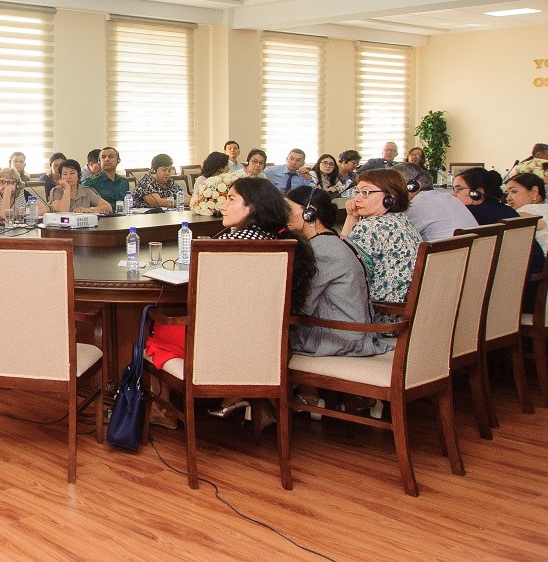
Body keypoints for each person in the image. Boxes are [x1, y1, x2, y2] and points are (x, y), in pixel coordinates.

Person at [144, 177, 316, 421]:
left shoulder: (229, 244)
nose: (223, 205)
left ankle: (160, 409)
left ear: (251, 207)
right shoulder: (282, 240)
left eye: (231, 199)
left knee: (152, 328)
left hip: (217, 345)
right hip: (264, 344)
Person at [285, 186, 391, 357]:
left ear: (309, 213)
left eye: (288, 209)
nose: (284, 215)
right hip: (356, 333)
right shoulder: (336, 240)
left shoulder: (320, 250)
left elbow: (302, 306)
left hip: (340, 339)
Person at [341, 168, 422, 316]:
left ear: (389, 198)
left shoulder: (370, 227)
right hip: (406, 313)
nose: (357, 199)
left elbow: (341, 266)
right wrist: (352, 217)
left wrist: (351, 220)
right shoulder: (402, 221)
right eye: (357, 192)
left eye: (365, 193)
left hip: (382, 314)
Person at [454, 168, 545, 286]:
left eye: (458, 189)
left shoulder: (470, 212)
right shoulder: (506, 209)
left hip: (514, 283)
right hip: (532, 277)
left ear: (478, 192)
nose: (453, 194)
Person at [397, 162, 473, 242]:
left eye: (395, 186)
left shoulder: (418, 205)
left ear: (413, 186)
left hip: (450, 253)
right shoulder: (449, 198)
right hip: (469, 252)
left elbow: (394, 237)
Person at [505, 172, 548, 258]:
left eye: (514, 191)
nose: (508, 198)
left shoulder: (527, 211)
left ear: (534, 192)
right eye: (507, 193)